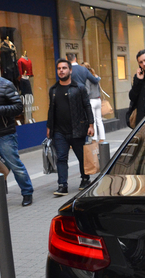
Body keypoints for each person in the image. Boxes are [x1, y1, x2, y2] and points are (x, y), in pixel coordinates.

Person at [0, 52, 33, 206]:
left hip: (4, 135)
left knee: (16, 166)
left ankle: (27, 192)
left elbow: (18, 108)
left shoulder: (6, 84)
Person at [47, 58, 94, 196]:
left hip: (77, 128)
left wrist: (91, 124)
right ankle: (62, 185)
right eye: (59, 68)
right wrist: (49, 126)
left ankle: (85, 179)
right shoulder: (54, 90)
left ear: (70, 70)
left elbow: (87, 106)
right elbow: (51, 109)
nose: (61, 71)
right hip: (59, 131)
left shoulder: (79, 88)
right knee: (61, 158)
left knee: (81, 157)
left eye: (64, 68)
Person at [82, 62, 105, 145]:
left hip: (91, 100)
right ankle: (102, 138)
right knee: (99, 120)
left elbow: (87, 91)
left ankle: (94, 138)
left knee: (93, 120)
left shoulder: (87, 79)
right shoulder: (95, 77)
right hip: (98, 100)